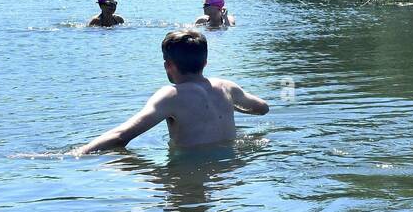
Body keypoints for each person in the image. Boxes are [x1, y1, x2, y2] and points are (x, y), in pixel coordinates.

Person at [73, 30, 268, 155]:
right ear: (205, 62)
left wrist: (77, 153)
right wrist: (227, 102)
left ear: (168, 65)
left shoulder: (171, 95)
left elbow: (120, 136)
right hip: (228, 172)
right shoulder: (226, 87)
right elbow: (262, 108)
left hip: (191, 167)